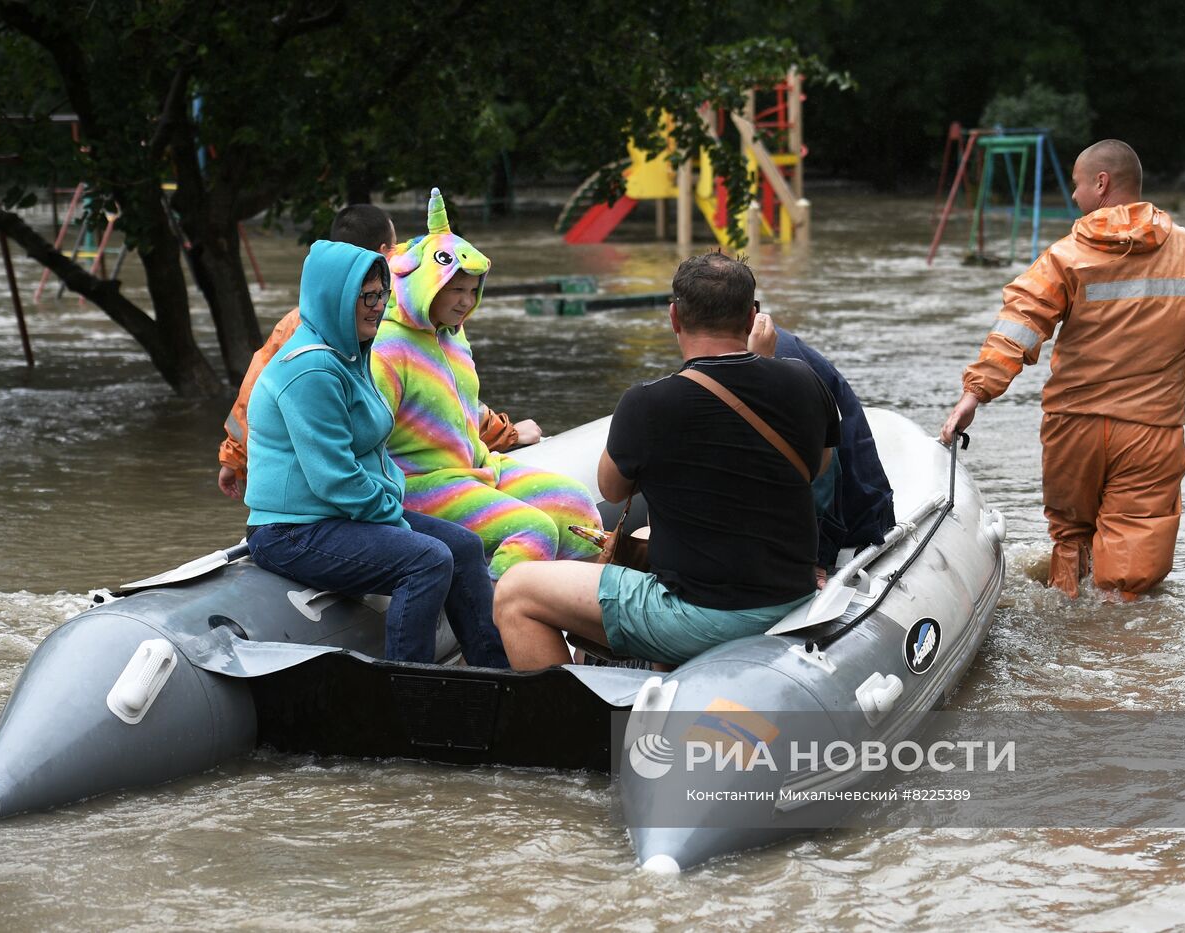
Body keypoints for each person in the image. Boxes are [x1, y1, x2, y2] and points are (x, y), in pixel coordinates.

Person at [494, 251, 840, 669]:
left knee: (516, 591)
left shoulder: (650, 401)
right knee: (648, 530)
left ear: (674, 317)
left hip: (701, 619)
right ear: (752, 318)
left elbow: (611, 488)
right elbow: (816, 466)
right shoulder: (806, 380)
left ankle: (570, 728)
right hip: (794, 598)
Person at [940, 139, 1185, 600]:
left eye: (1078, 186)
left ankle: (1070, 630)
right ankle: (1125, 654)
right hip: (1150, 431)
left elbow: (1020, 326)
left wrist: (974, 394)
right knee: (1131, 569)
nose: (1075, 197)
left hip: (1072, 427)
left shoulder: (1064, 256)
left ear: (1102, 183)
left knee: (1070, 541)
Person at [244, 239, 508, 667]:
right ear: (335, 297)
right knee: (427, 560)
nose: (377, 306)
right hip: (291, 531)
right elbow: (335, 478)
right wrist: (395, 518)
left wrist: (394, 506)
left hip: (338, 516)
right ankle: (409, 694)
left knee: (463, 546)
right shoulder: (310, 368)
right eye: (366, 296)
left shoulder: (351, 354)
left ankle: (498, 675)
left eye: (381, 295)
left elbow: (372, 452)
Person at [217, 204, 538, 501]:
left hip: (308, 482)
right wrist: (507, 434)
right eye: (396, 246)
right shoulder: (402, 314)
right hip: (382, 485)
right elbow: (442, 400)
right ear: (386, 252)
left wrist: (234, 456)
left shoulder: (304, 314)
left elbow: (257, 387)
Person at [370, 188, 603, 579]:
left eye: (472, 290)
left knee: (576, 504)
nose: (465, 301)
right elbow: (366, 435)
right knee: (533, 529)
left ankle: (574, 624)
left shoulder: (453, 336)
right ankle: (502, 626)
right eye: (456, 289)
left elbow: (462, 409)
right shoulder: (388, 348)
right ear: (426, 285)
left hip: (478, 466)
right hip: (420, 485)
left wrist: (506, 434)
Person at [747, 316, 895, 579]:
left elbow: (823, 470)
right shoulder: (711, 364)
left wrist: (814, 558)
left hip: (853, 520)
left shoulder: (786, 367)